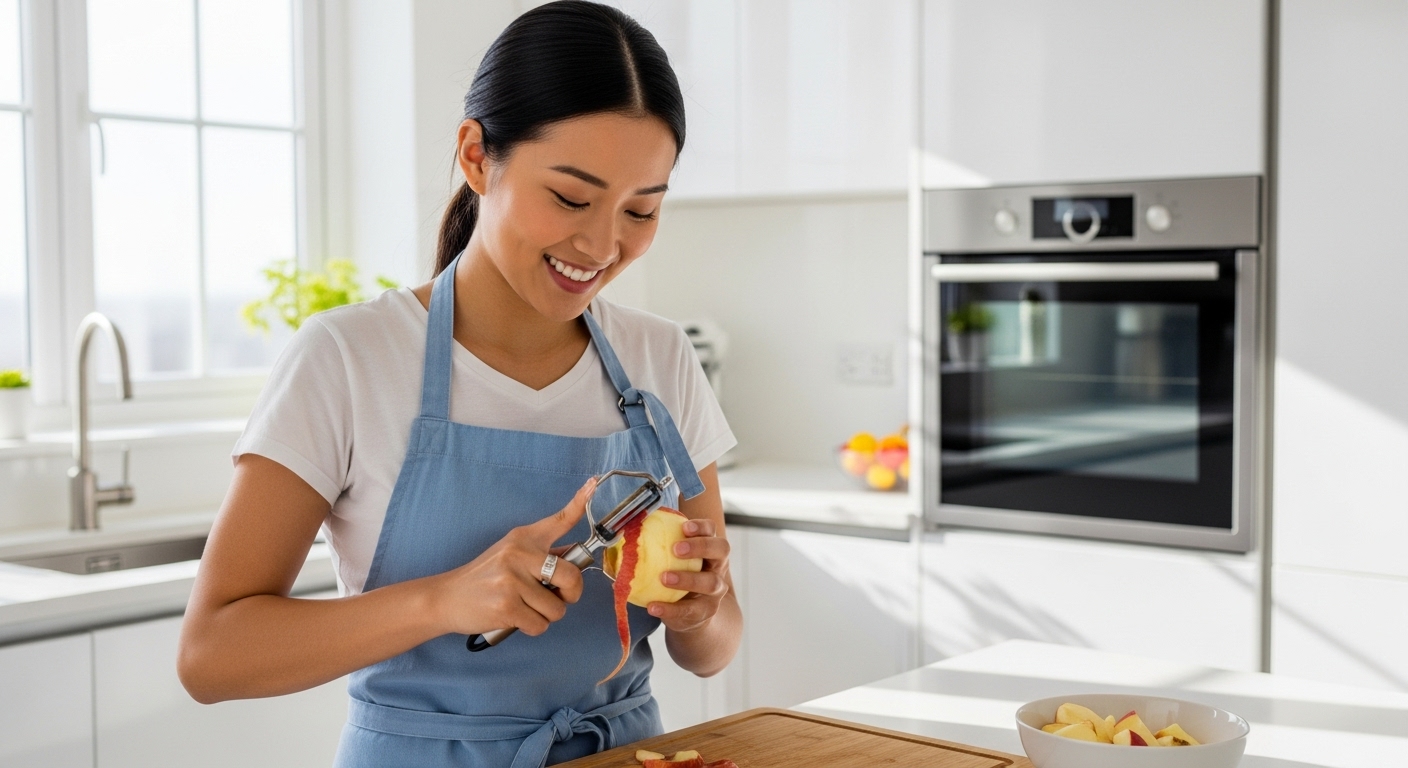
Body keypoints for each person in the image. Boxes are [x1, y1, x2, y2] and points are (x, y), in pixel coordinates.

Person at [177, 3, 742, 765]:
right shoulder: (349, 357)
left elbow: (713, 650)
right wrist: (441, 600)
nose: (602, 244)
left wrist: (701, 613)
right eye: (571, 198)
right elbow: (211, 655)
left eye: (641, 209)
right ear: (477, 156)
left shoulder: (661, 355)